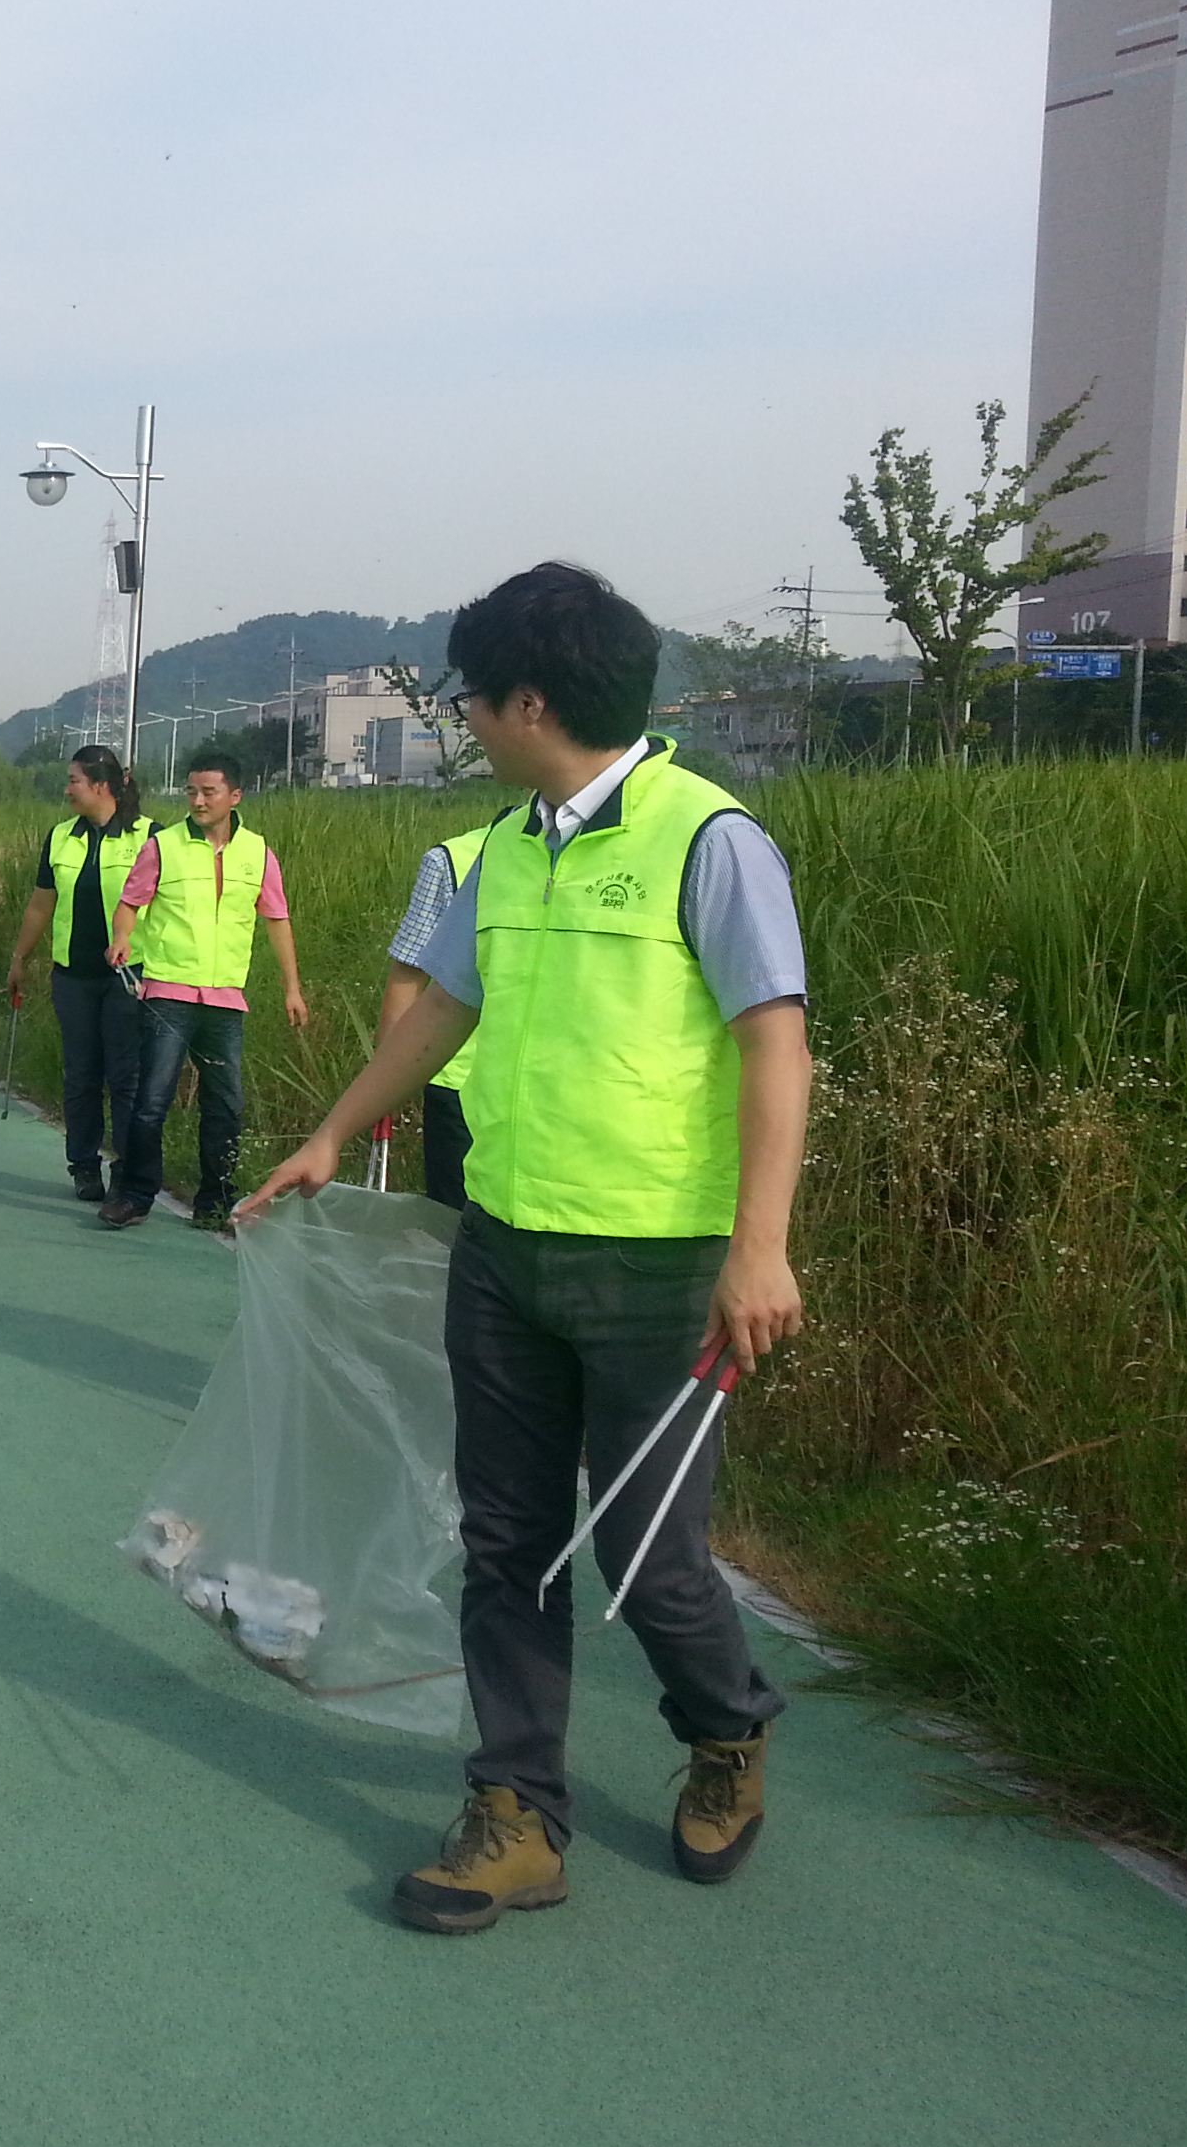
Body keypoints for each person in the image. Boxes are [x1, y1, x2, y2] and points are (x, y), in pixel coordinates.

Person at [243, 562, 810, 1935]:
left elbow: (774, 1043)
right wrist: (334, 1130)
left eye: (473, 698)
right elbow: (440, 1015)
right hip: (504, 1248)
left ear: (532, 700)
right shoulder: (501, 848)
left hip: (660, 1266)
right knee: (507, 1544)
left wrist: (762, 1250)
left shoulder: (705, 838)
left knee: (649, 1557)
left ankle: (726, 1726)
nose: (466, 720)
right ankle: (516, 1816)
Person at [100, 756, 308, 1232]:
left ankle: (214, 1200)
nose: (197, 800)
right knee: (152, 1101)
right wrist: (122, 938)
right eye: (191, 791)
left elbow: (277, 920)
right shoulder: (163, 847)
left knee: (226, 1105)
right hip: (168, 993)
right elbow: (129, 904)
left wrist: (292, 988)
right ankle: (135, 1194)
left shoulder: (258, 853)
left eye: (209, 792)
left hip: (225, 1000)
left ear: (235, 796)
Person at [2, 744, 151, 1205]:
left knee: (126, 1078)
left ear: (101, 786)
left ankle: (128, 1170)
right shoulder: (61, 837)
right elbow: (41, 903)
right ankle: (84, 1166)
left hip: (129, 977)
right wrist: (20, 957)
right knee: (82, 1075)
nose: (67, 789)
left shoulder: (149, 838)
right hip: (73, 976)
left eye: (74, 781)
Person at [379, 814, 506, 1208]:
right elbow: (409, 973)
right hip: (458, 1081)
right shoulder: (452, 860)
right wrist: (387, 1083)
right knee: (455, 1218)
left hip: (546, 1087)